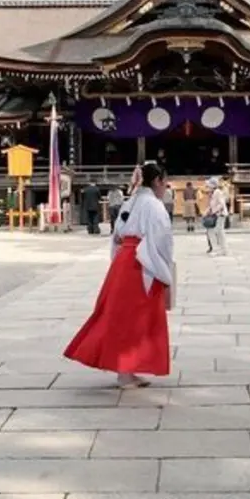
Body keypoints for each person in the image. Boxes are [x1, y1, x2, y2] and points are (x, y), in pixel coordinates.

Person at [64, 162, 175, 389]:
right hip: (143, 263)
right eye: (164, 181)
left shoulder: (130, 201)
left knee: (120, 314)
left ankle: (128, 370)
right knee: (137, 317)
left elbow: (116, 235)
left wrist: (119, 255)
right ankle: (126, 370)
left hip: (124, 261)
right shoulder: (154, 206)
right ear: (156, 181)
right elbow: (162, 240)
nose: (165, 186)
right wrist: (165, 269)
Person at [204, 177, 228, 256]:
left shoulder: (217, 192)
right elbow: (211, 205)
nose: (207, 187)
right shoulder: (213, 193)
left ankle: (221, 249)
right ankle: (219, 249)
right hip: (216, 214)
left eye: (208, 185)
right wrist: (206, 212)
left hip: (220, 215)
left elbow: (221, 204)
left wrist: (213, 212)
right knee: (214, 232)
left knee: (218, 232)